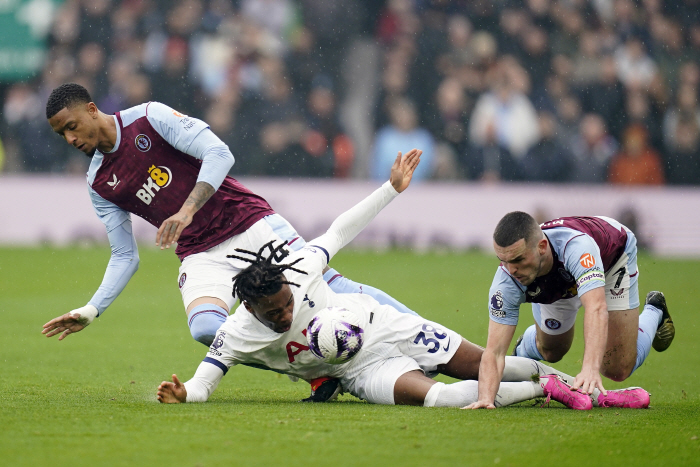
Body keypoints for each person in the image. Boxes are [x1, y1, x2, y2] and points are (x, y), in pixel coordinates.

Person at [157, 158, 650, 410]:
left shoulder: (300, 267)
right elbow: (203, 383)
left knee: (482, 364)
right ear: (252, 312)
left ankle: (565, 381)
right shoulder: (234, 334)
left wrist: (390, 189)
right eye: (276, 315)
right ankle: (549, 386)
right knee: (443, 399)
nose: (287, 315)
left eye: (288, 304)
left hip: (381, 329)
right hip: (358, 372)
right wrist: (186, 395)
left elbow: (340, 230)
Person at [40, 83, 418, 351]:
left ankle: (421, 333)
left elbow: (219, 154)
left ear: (91, 110)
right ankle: (312, 363)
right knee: (206, 329)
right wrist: (91, 309)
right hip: (200, 253)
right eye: (62, 135)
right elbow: (125, 256)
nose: (70, 140)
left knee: (333, 288)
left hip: (248, 222)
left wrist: (187, 209)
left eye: (71, 126)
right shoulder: (98, 183)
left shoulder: (149, 118)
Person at [466, 212, 674, 409]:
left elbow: (596, 307)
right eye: (503, 260)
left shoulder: (577, 248)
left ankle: (655, 310)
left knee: (616, 368)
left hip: (611, 260)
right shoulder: (506, 282)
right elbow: (494, 351)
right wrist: (485, 399)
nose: (511, 270)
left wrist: (590, 369)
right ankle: (526, 347)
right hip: (555, 280)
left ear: (542, 247)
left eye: (518, 260)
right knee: (552, 350)